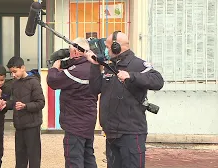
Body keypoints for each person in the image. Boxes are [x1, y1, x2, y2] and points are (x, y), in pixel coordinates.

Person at [85, 31, 164, 168]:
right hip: (111, 133)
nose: (106, 50)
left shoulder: (137, 64)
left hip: (131, 133)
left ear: (116, 47)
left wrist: (131, 76)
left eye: (108, 46)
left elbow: (158, 81)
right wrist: (95, 65)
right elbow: (94, 89)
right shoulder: (110, 66)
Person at [47, 37, 98, 168]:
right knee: (88, 157)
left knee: (74, 160)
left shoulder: (76, 71)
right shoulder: (92, 68)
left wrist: (54, 67)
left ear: (75, 52)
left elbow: (53, 81)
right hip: (88, 122)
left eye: (70, 52)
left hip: (75, 124)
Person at [7, 56, 45, 168]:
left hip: (32, 125)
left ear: (22, 68)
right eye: (11, 73)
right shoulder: (14, 83)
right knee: (20, 158)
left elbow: (41, 103)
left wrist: (26, 106)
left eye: (15, 71)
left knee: (33, 157)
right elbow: (14, 102)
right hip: (19, 126)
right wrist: (5, 104)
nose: (13, 75)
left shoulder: (34, 82)